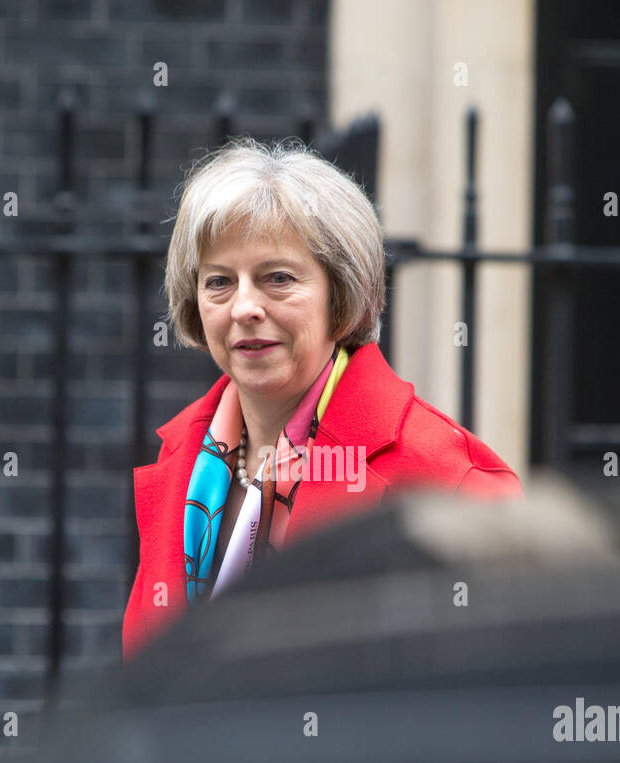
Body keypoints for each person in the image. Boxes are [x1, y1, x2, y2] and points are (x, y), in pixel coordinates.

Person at [123, 137, 521, 660]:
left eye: (278, 278)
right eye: (219, 282)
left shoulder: (448, 480)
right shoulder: (184, 458)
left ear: (342, 293)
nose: (244, 306)